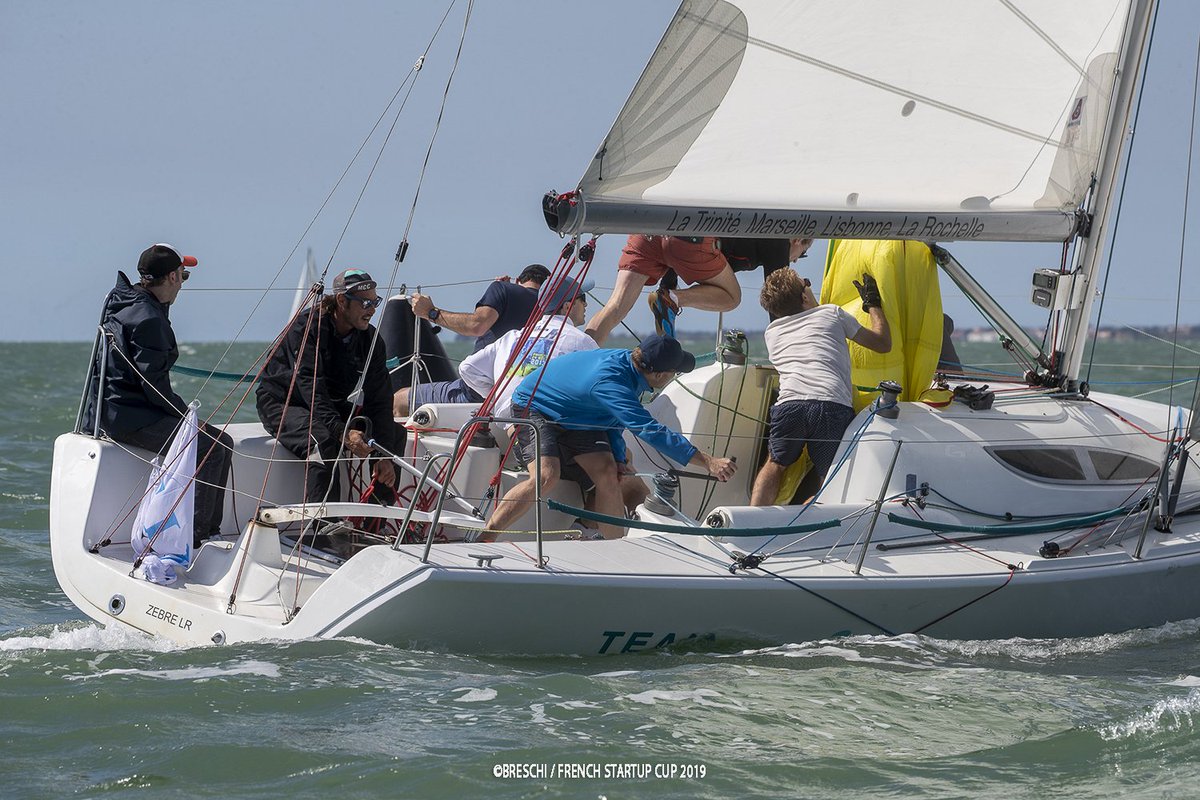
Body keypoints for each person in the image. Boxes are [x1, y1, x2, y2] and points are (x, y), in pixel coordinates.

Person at [483, 334, 737, 540]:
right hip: (536, 406)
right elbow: (648, 429)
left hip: (580, 415)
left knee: (610, 473)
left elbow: (614, 422)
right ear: (660, 375)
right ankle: (488, 533)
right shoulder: (611, 382)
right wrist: (708, 462)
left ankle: (614, 548)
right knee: (546, 476)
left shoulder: (630, 367)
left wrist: (617, 458)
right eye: (673, 371)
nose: (674, 375)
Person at [87, 243, 233, 546]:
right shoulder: (149, 319)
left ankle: (205, 530)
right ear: (171, 277)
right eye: (183, 275)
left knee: (218, 441)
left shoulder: (125, 300)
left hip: (110, 409)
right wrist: (187, 419)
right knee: (214, 447)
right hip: (130, 417)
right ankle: (199, 537)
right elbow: (153, 387)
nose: (183, 283)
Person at [256, 268, 402, 508]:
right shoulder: (308, 328)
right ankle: (321, 529)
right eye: (365, 302)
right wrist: (342, 433)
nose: (372, 309)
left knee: (393, 435)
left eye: (375, 301)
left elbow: (380, 398)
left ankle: (377, 521)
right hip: (283, 403)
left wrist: (382, 454)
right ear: (342, 301)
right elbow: (310, 386)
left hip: (328, 404)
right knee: (323, 440)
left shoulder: (370, 340)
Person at [750, 268, 891, 506]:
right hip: (829, 404)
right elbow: (882, 343)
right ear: (804, 297)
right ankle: (806, 519)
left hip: (789, 406)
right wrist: (873, 304)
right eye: (806, 282)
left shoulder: (771, 333)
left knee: (775, 463)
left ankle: (752, 516)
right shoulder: (831, 313)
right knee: (832, 477)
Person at [395, 264, 551, 414]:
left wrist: (431, 312)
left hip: (479, 393)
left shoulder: (503, 289)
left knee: (399, 400)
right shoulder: (553, 309)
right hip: (527, 396)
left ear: (518, 281)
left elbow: (476, 326)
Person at [584, 235, 742, 345]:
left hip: (648, 231)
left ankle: (575, 356)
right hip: (688, 235)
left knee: (615, 306)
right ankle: (672, 299)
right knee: (732, 297)